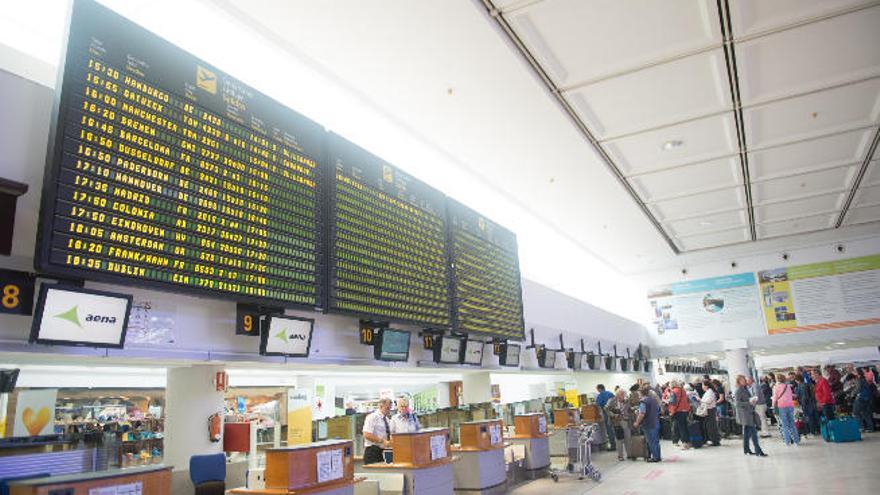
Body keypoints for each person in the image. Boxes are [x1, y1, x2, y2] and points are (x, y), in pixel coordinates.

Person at [734, 375, 767, 457]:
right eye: (743, 380)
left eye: (745, 379)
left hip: (749, 412)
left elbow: (748, 399)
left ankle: (746, 449)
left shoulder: (745, 389)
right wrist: (749, 402)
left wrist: (753, 400)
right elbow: (737, 403)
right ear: (739, 382)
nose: (745, 381)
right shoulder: (738, 390)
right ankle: (758, 451)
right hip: (745, 415)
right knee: (753, 433)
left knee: (747, 434)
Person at [633, 384, 661, 463]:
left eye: (638, 393)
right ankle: (658, 456)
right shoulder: (653, 400)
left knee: (651, 441)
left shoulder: (643, 401)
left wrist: (637, 422)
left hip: (648, 424)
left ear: (641, 393)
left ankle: (655, 458)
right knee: (656, 441)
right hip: (656, 422)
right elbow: (657, 409)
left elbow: (642, 413)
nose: (638, 395)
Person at [772, 373, 800, 446]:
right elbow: (791, 395)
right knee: (792, 424)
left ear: (777, 379)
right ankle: (796, 441)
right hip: (790, 406)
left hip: (781, 407)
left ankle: (787, 442)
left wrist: (773, 405)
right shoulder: (788, 386)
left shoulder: (776, 387)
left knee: (784, 425)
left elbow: (775, 398)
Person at [605, 389, 633, 461]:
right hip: (616, 422)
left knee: (628, 438)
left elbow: (629, 409)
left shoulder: (627, 401)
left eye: (624, 394)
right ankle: (620, 456)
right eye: (622, 394)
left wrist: (632, 410)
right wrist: (613, 415)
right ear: (617, 395)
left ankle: (629, 454)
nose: (623, 396)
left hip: (626, 421)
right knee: (619, 440)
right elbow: (606, 408)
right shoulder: (611, 400)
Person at [362, 398, 393, 464]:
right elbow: (366, 434)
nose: (389, 411)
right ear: (381, 406)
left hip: (383, 451)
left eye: (390, 408)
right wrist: (382, 441)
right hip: (373, 451)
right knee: (373, 473)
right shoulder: (372, 417)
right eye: (387, 408)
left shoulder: (387, 419)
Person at [698, 380, 721, 446]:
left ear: (706, 386)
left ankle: (715, 441)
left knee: (711, 426)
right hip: (709, 410)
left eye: (703, 385)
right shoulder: (708, 392)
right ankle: (713, 440)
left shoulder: (710, 392)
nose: (702, 387)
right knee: (710, 426)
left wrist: (700, 400)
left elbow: (708, 401)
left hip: (710, 410)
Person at [670, 381, 691, 450]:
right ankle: (687, 442)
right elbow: (687, 400)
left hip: (678, 411)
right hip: (686, 410)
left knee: (681, 427)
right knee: (684, 426)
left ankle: (684, 443)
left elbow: (673, 403)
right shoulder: (683, 390)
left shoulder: (673, 392)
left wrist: (672, 412)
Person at [596, 384, 616, 452]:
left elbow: (598, 406)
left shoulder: (600, 395)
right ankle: (619, 444)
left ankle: (613, 446)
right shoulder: (610, 393)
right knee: (615, 428)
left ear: (599, 389)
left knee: (609, 430)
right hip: (614, 413)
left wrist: (600, 414)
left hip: (606, 413)